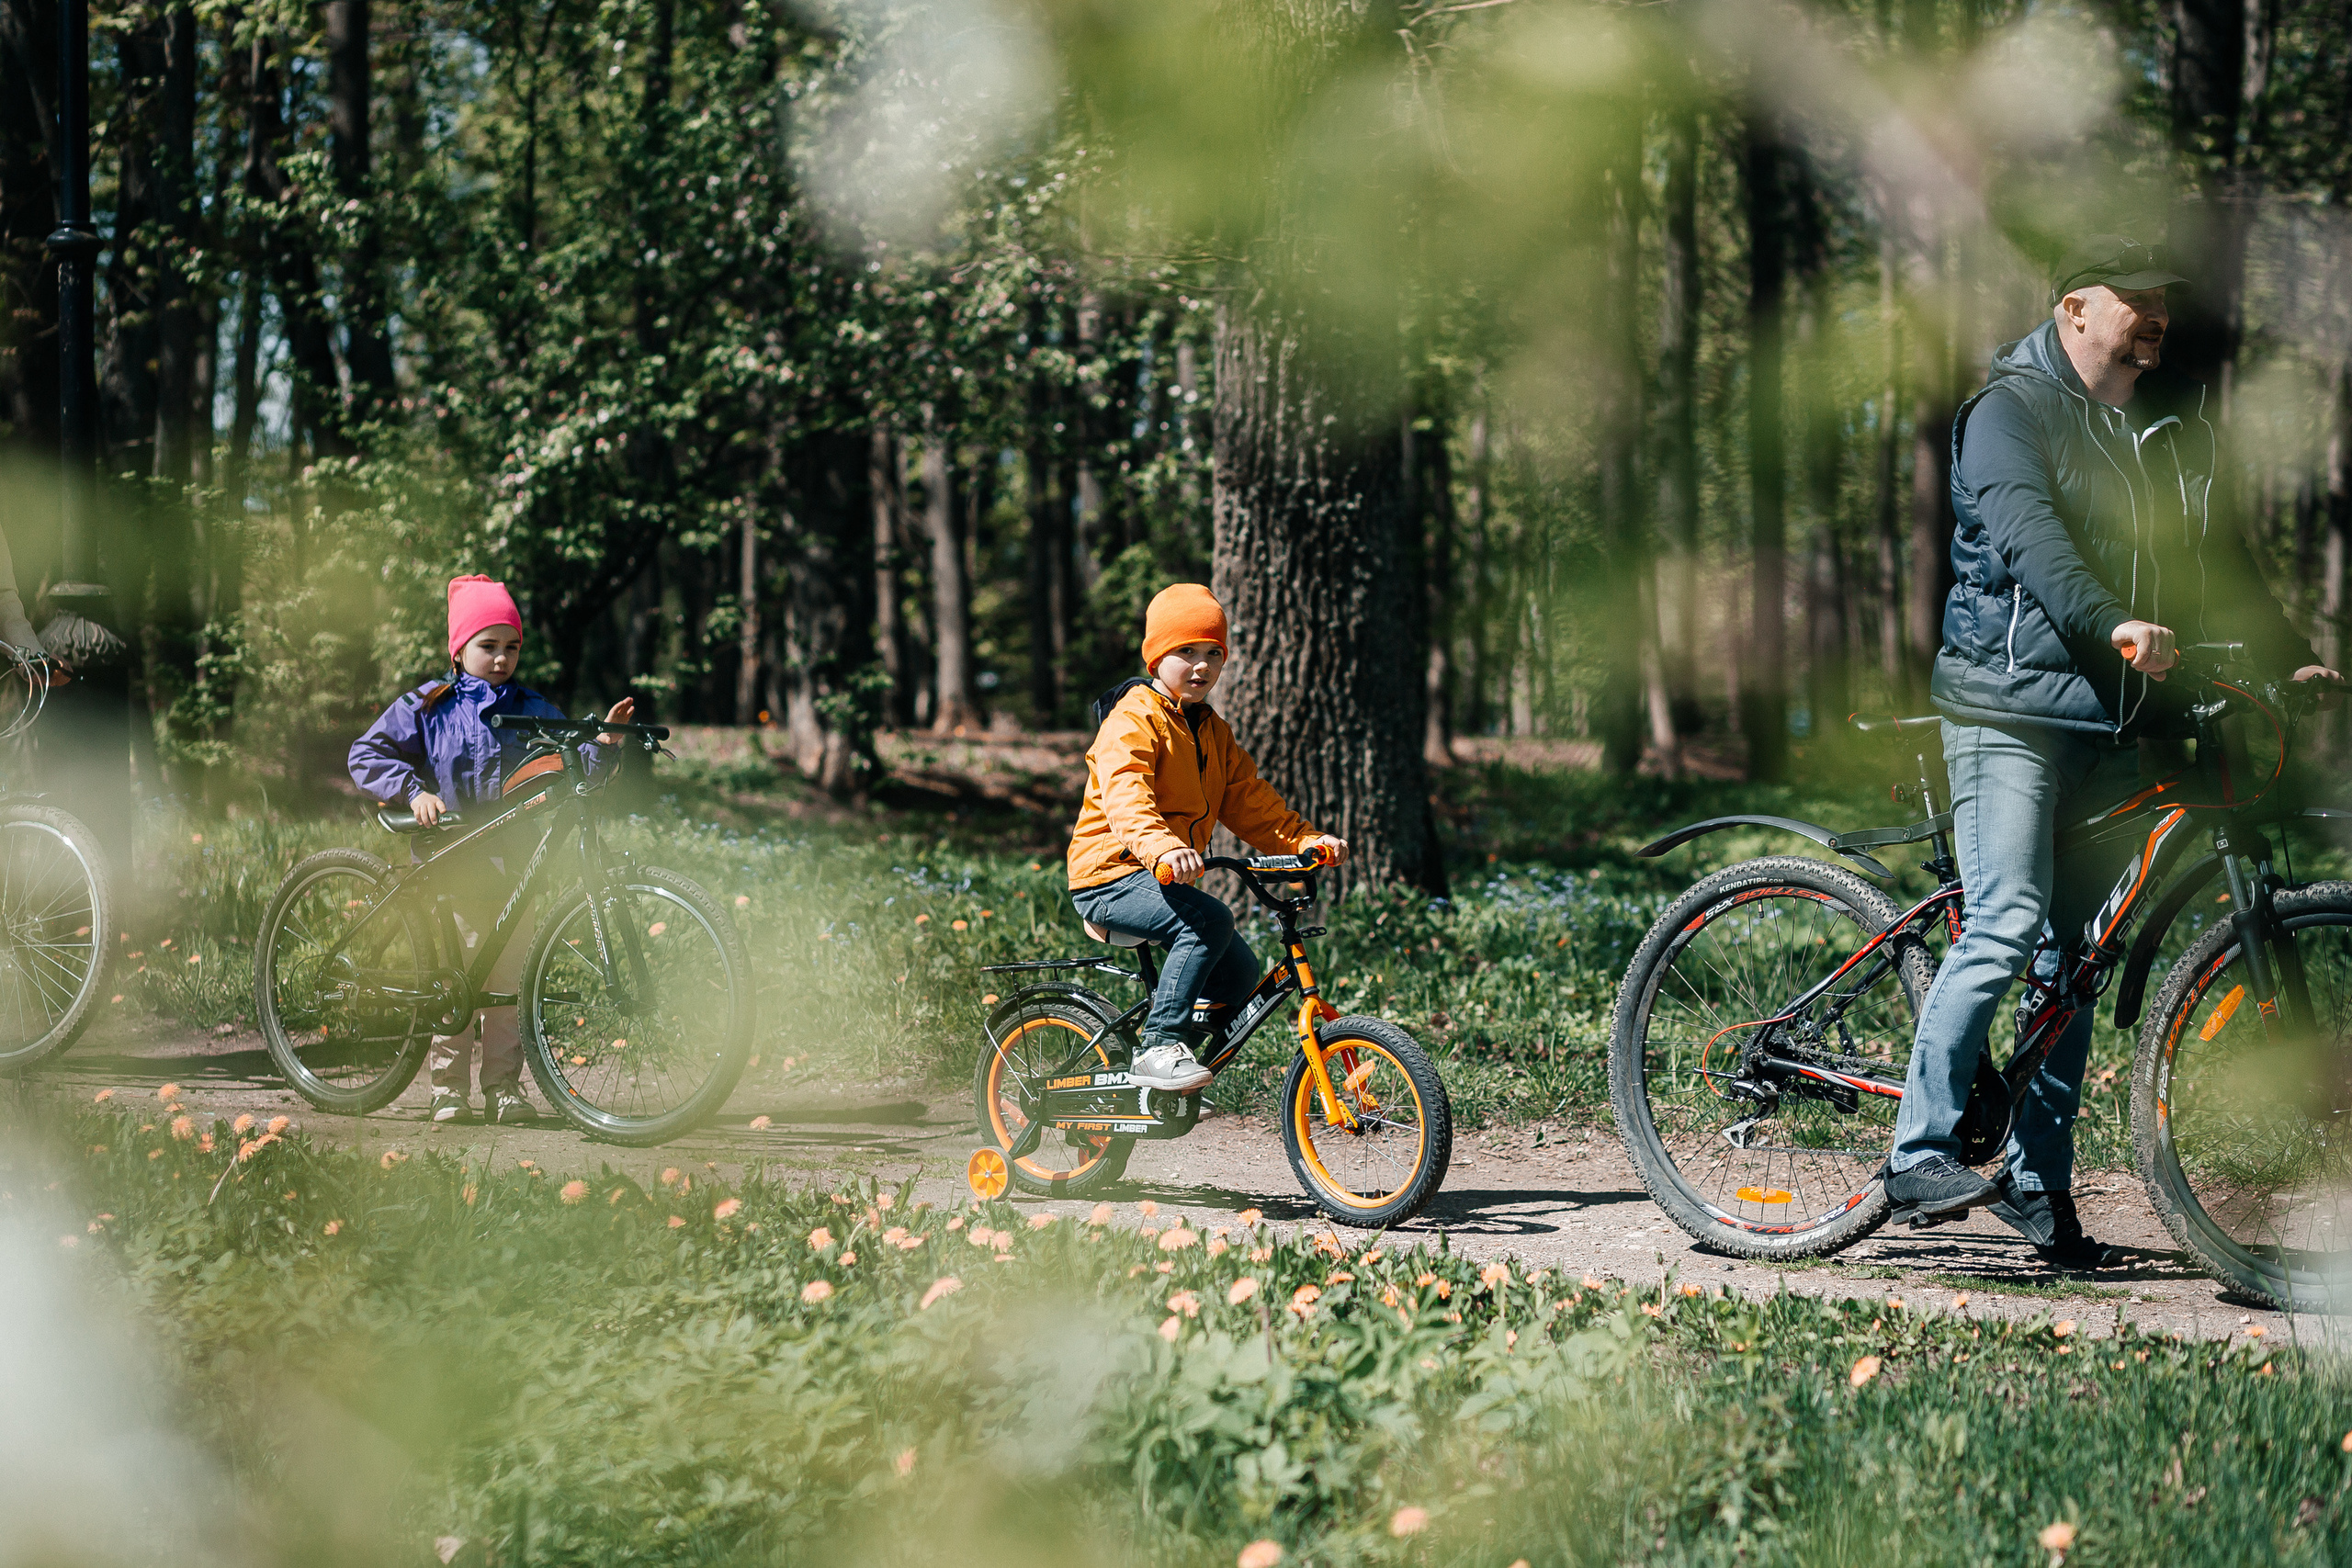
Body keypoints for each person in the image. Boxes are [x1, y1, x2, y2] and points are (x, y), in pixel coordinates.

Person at [1882, 236, 2342, 1264]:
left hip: (2114, 718)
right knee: (2007, 918)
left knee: (2074, 958)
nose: (2154, 316)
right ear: (2074, 310)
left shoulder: (2164, 430)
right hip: (2010, 710)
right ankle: (1918, 1152)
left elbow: (2214, 556)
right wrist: (2113, 622)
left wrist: (2290, 655)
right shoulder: (2007, 412)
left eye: (2162, 300)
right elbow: (2029, 538)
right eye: (2133, 298)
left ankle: (2035, 1186)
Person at [347, 575, 636, 1124]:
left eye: (512, 647)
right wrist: (413, 791)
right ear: (458, 650)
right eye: (488, 645)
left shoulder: (534, 709)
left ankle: (503, 1087)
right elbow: (366, 753)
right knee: (453, 976)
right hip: (452, 861)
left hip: (516, 866)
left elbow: (577, 769)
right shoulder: (430, 704)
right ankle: (447, 1090)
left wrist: (605, 741)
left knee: (509, 983)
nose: (502, 658)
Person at [1065, 583, 1349, 1092]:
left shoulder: (1212, 731)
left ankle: (1173, 1084)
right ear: (1156, 658)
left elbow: (1249, 801)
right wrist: (1164, 847)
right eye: (1186, 651)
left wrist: (1303, 839)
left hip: (1161, 875)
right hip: (1111, 876)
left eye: (1213, 653)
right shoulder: (1133, 719)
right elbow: (1127, 798)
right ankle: (1158, 1047)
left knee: (1238, 972)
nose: (1201, 665)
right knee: (1210, 920)